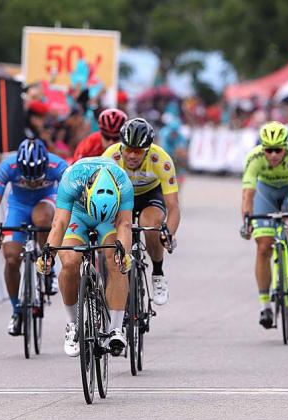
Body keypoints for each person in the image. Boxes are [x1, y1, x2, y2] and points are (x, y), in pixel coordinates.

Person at [36, 156, 134, 357]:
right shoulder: (72, 178)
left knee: (116, 261)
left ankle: (115, 329)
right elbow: (59, 224)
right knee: (70, 262)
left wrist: (123, 254)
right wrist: (49, 254)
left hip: (109, 219)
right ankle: (73, 324)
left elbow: (124, 224)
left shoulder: (123, 182)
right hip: (77, 215)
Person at [0, 139, 67, 335]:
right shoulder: (8, 166)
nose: (32, 183)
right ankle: (17, 311)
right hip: (18, 207)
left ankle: (48, 264)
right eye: (28, 179)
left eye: (37, 178)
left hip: (46, 201)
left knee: (41, 217)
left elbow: (71, 198)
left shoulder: (59, 166)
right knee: (12, 259)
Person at [241, 121, 288, 329]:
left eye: (278, 150)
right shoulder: (254, 158)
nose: (273, 155)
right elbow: (248, 194)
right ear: (262, 148)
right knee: (263, 247)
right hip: (266, 193)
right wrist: (246, 220)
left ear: (286, 146)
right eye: (269, 150)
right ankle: (265, 305)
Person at [102, 118, 180, 305]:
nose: (132, 156)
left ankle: (158, 273)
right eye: (128, 149)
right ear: (121, 147)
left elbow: (173, 207)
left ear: (147, 150)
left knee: (150, 225)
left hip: (149, 194)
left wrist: (168, 233)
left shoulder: (161, 160)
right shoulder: (109, 157)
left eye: (138, 151)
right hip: (121, 196)